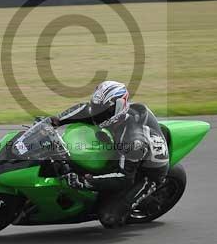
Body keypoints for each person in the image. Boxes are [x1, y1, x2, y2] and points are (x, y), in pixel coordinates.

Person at [47, 80, 170, 229]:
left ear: (118, 109)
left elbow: (124, 178)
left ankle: (149, 201)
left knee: (109, 218)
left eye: (103, 110)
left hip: (146, 173)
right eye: (97, 107)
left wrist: (86, 182)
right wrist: (55, 120)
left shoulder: (132, 140)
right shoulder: (113, 115)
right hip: (126, 154)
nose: (97, 113)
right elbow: (85, 109)